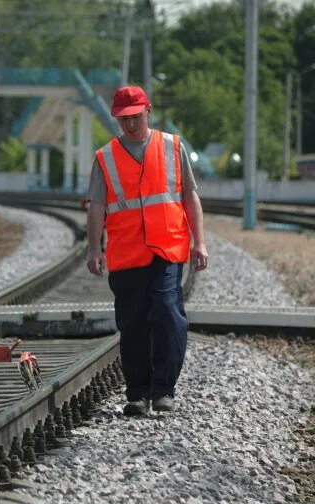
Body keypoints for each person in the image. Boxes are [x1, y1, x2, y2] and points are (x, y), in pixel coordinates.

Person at [85, 86, 209, 416]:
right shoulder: (105, 157)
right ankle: (138, 393)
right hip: (126, 254)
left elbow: (190, 197)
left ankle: (164, 389)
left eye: (135, 118)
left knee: (169, 315)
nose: (129, 125)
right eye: (123, 119)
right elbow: (96, 207)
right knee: (134, 323)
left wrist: (200, 241)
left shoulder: (172, 147)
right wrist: (94, 249)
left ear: (148, 111)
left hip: (167, 248)